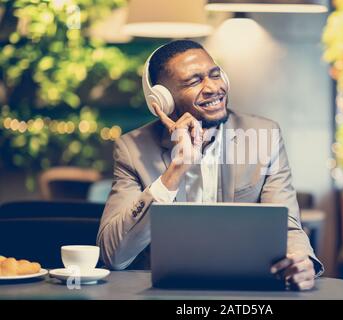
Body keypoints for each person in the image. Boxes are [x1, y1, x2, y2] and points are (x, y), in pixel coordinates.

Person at [97, 40, 324, 291]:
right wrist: (175, 171)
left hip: (245, 291)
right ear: (162, 101)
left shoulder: (264, 136)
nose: (213, 88)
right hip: (166, 293)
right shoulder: (132, 150)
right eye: (194, 81)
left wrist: (302, 261)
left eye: (215, 75)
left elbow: (287, 224)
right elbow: (113, 254)